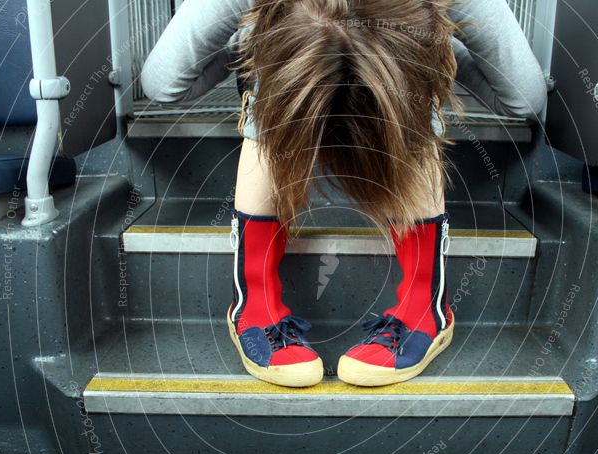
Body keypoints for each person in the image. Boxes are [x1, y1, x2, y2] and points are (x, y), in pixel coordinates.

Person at [141, 0, 547, 388]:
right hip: (283, 39)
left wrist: (435, 49)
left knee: (409, 89)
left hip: (404, 50)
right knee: (273, 84)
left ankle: (426, 307)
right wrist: (263, 43)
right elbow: (164, 84)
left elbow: (523, 98)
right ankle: (255, 300)